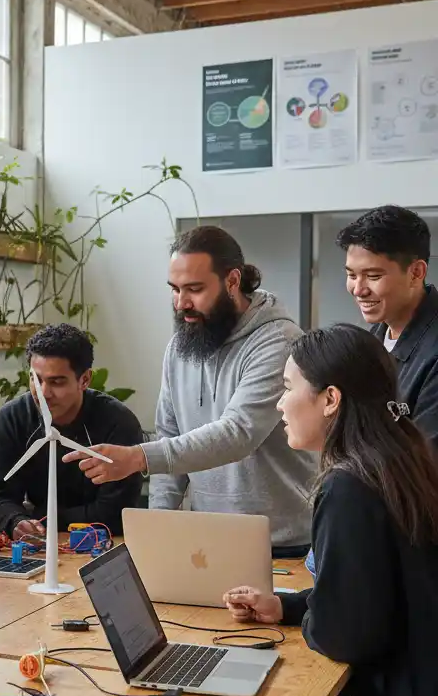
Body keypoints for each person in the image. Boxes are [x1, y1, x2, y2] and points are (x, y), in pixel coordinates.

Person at [223, 324, 438, 696]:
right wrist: (288, 606)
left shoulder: (348, 485)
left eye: (288, 386)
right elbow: (374, 594)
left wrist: (313, 622)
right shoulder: (401, 457)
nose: (279, 402)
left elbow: (347, 632)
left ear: (331, 398)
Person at [66, 226, 316, 556]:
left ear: (232, 281)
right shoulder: (181, 346)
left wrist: (139, 457)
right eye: (175, 289)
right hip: (207, 541)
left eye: (194, 289)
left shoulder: (278, 342)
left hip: (281, 544)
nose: (182, 302)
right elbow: (169, 434)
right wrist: (155, 531)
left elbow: (238, 432)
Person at [0, 323, 143, 541]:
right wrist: (17, 521)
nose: (43, 392)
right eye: (35, 379)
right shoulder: (12, 418)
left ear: (85, 379)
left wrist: (40, 517)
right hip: (38, 544)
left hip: (102, 543)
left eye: (56, 382)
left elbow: (113, 513)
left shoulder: (118, 423)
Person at [338, 204, 438, 442]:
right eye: (352, 275)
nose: (359, 289)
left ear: (416, 273)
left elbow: (426, 463)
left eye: (373, 276)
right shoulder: (373, 339)